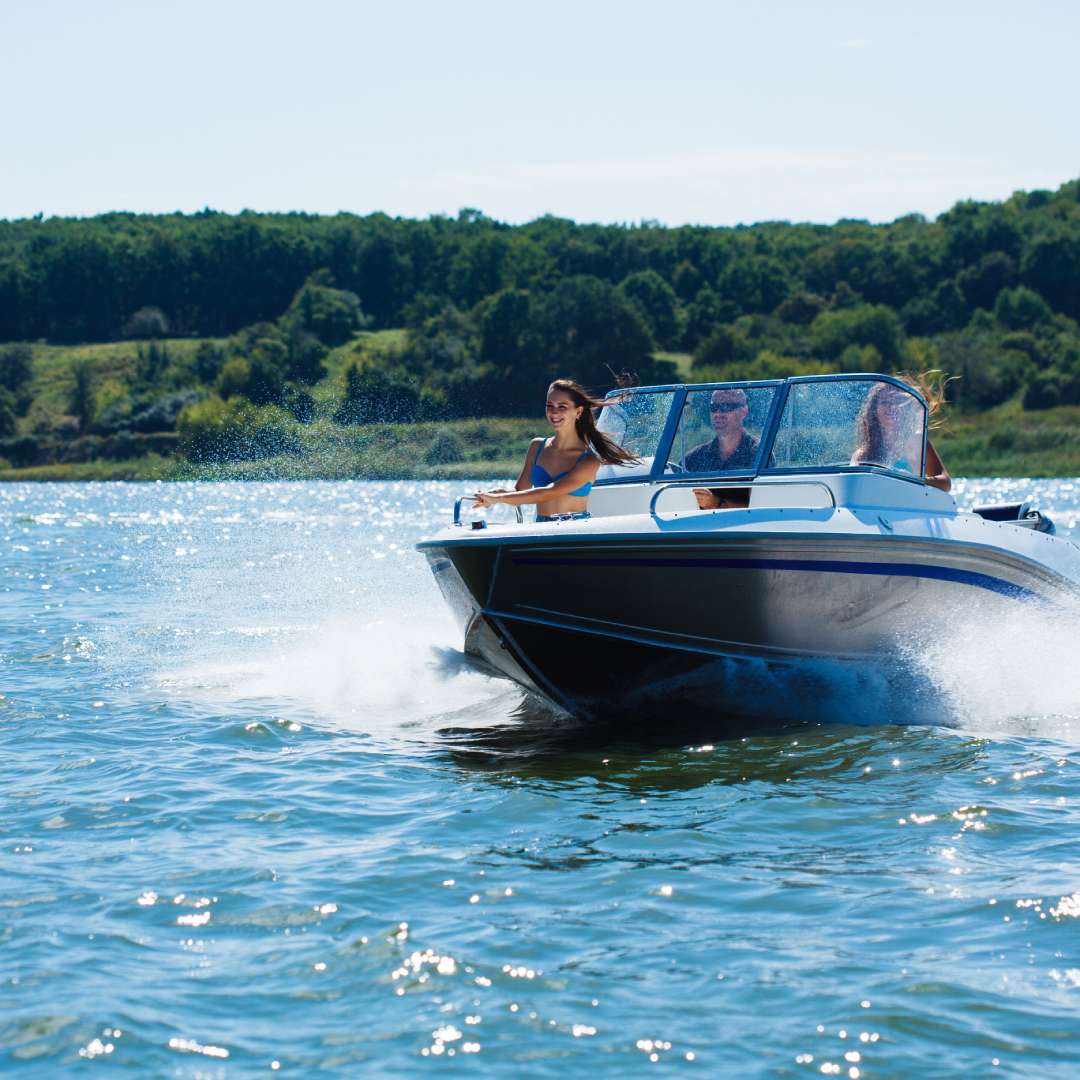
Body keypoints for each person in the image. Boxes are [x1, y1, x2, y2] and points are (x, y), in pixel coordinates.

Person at [472, 379, 639, 521]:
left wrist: (498, 498)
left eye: (562, 407)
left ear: (578, 411)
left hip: (574, 533)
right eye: (549, 406)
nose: (554, 412)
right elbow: (520, 491)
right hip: (542, 531)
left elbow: (549, 492)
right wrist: (492, 495)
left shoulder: (589, 460)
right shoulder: (536, 447)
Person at [851, 378, 952, 492]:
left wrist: (914, 480)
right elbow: (854, 488)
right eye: (885, 402)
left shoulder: (918, 442)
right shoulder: (863, 454)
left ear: (904, 407)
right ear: (875, 409)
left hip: (909, 506)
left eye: (896, 401)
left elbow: (946, 483)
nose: (892, 407)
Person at [684, 388, 760, 472]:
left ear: (744, 411)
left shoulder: (759, 454)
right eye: (714, 407)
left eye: (726, 406)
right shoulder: (692, 460)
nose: (718, 414)